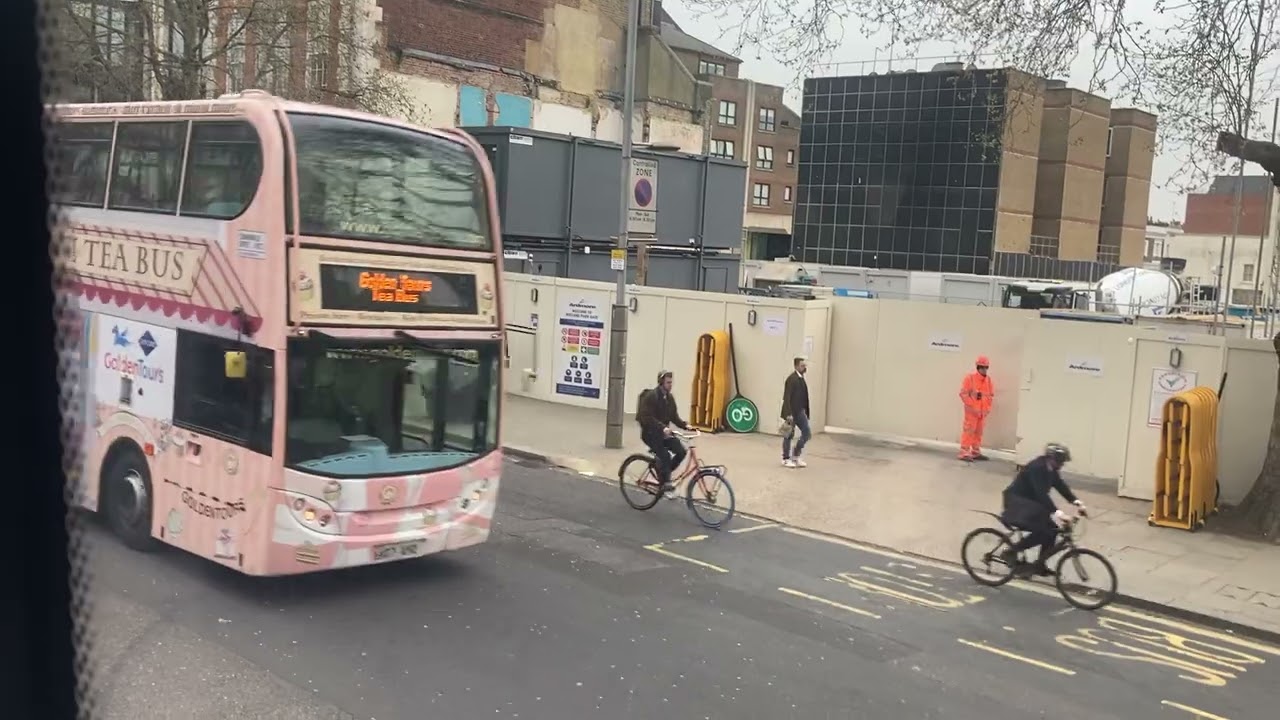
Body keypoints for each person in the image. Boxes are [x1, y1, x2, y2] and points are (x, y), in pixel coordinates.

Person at [1000, 443, 1087, 577]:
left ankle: (1039, 565)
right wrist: (1059, 513)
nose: (1062, 464)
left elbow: (1061, 486)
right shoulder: (1037, 467)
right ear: (1051, 459)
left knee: (1052, 531)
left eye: (1063, 462)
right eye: (1060, 461)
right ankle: (1011, 551)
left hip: (1031, 505)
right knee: (1043, 530)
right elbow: (1041, 494)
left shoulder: (1051, 470)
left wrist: (1076, 502)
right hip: (1017, 503)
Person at [636, 370, 691, 491]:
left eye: (671, 382)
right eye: (668, 382)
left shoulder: (669, 398)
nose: (670, 385)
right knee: (665, 455)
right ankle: (666, 481)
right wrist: (663, 428)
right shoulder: (652, 397)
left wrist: (685, 426)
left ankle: (663, 474)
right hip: (650, 434)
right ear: (661, 383)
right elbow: (647, 417)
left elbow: (674, 417)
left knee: (681, 451)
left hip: (662, 434)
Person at [958, 355, 995, 461]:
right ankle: (964, 452)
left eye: (986, 367)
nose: (985, 370)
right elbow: (963, 394)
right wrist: (972, 405)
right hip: (971, 413)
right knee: (969, 432)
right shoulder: (970, 378)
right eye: (982, 367)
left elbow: (990, 395)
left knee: (978, 433)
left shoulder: (988, 380)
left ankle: (975, 452)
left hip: (982, 413)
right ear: (978, 367)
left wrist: (987, 409)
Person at [780, 356, 811, 468]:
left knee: (806, 433)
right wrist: (788, 414)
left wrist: (806, 411)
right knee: (788, 434)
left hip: (800, 411)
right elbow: (787, 397)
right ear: (796, 366)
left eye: (805, 365)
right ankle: (786, 458)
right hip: (791, 412)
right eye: (802, 366)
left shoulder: (801, 379)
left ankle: (796, 455)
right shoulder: (791, 379)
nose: (804, 367)